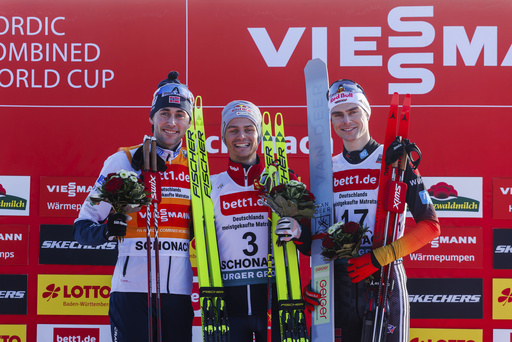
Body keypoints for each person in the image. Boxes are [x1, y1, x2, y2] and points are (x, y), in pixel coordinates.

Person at [304, 79, 440, 342]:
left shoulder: (395, 160)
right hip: (339, 282)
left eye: (353, 111)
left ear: (366, 111)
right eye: (338, 114)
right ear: (330, 120)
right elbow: (318, 237)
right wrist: (315, 280)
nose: (346, 121)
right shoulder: (326, 169)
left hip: (385, 277)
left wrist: (378, 258)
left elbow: (430, 227)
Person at [73, 71, 195, 342]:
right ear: (151, 116)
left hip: (177, 293)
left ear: (190, 121)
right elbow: (82, 227)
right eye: (164, 113)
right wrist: (107, 230)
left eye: (180, 114)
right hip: (130, 290)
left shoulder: (196, 168)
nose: (171, 122)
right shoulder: (123, 160)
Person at [209, 100, 311, 341]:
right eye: (233, 130)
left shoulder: (285, 180)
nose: (241, 136)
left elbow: (311, 243)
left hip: (279, 302)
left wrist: (297, 230)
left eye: (249, 129)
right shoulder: (211, 186)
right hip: (229, 306)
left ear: (259, 134)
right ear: (224, 136)